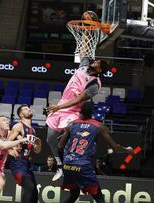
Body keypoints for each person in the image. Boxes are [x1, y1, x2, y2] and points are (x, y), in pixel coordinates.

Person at [46, 28, 107, 180]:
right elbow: (85, 49)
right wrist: (86, 31)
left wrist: (58, 107)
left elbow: (79, 99)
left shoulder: (95, 83)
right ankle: (59, 165)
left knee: (69, 131)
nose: (94, 61)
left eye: (97, 62)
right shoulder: (84, 66)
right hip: (61, 105)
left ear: (99, 69)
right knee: (50, 139)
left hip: (73, 110)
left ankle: (74, 164)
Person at [58, 103, 133, 203]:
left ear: (80, 113)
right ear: (92, 113)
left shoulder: (71, 124)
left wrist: (64, 163)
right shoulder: (99, 126)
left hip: (68, 164)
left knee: (74, 194)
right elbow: (115, 148)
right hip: (82, 165)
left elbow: (60, 146)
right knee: (98, 197)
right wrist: (128, 150)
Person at [7, 105, 42, 203]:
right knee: (29, 187)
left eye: (29, 108)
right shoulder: (18, 126)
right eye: (26, 109)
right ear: (21, 114)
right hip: (17, 162)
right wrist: (10, 149)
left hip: (26, 164)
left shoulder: (33, 130)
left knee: (34, 192)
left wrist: (39, 145)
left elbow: (36, 151)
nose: (29, 109)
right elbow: (7, 142)